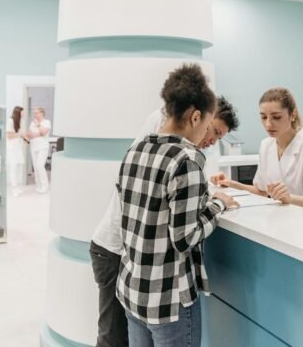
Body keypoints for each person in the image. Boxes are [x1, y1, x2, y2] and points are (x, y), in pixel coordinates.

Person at [89, 92, 239, 347]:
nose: (211, 140)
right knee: (112, 340)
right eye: (212, 130)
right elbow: (183, 235)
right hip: (119, 255)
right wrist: (215, 205)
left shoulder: (140, 150)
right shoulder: (181, 155)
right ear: (197, 117)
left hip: (134, 278)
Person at [212, 87, 303, 210]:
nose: (268, 124)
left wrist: (289, 198)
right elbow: (261, 191)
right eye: (263, 117)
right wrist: (232, 184)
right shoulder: (266, 145)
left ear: (292, 115)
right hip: (274, 221)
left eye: (276, 117)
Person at [27, 106, 51, 194]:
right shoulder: (32, 123)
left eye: (36, 112)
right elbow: (29, 135)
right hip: (34, 147)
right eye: (34, 113)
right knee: (36, 168)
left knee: (40, 166)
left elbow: (44, 132)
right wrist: (39, 133)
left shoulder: (47, 122)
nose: (35, 114)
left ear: (42, 113)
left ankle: (45, 186)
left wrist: (38, 125)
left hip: (43, 147)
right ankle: (39, 185)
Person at [6, 106, 27, 197]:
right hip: (12, 148)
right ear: (18, 113)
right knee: (13, 168)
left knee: (18, 167)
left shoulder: (20, 122)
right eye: (23, 112)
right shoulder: (10, 121)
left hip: (18, 148)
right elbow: (9, 136)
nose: (24, 114)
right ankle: (14, 188)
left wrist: (25, 139)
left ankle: (17, 187)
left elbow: (19, 135)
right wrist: (20, 134)